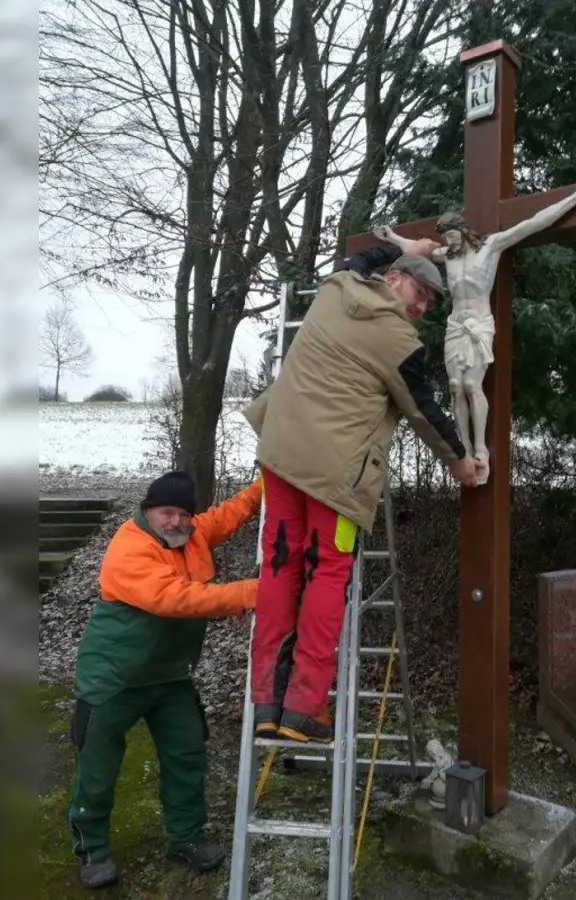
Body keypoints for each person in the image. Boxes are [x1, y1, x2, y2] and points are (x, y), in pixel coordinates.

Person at [242, 241, 485, 745]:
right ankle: (303, 708)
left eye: (428, 304)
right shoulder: (399, 342)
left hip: (282, 456)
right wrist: (461, 461)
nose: (420, 308)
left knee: (280, 564)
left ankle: (267, 698)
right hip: (335, 478)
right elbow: (425, 413)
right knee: (328, 572)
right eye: (418, 292)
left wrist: (405, 248)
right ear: (395, 280)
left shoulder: (336, 289)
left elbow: (359, 260)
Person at [69, 471, 261, 890]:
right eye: (165, 513)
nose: (175, 521)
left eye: (182, 514)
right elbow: (174, 598)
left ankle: (186, 837)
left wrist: (268, 484)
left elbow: (228, 515)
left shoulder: (190, 534)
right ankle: (92, 849)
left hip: (170, 676)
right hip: (113, 679)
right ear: (148, 511)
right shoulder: (129, 548)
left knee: (186, 755)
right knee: (97, 771)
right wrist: (250, 592)